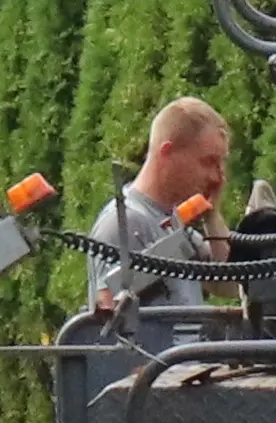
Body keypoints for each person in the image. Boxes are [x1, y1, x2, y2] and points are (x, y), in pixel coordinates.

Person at [87, 99, 232, 312]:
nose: (216, 177)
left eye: (220, 164)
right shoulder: (125, 223)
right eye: (208, 162)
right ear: (167, 153)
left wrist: (211, 214)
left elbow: (227, 285)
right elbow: (107, 322)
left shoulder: (174, 220)